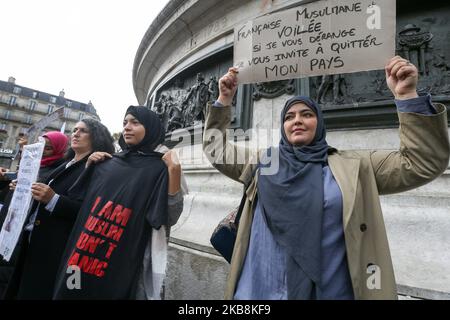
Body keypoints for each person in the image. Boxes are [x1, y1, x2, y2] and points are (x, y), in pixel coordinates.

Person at [202, 56, 450, 300]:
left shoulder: (354, 166)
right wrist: (224, 100)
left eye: (306, 114)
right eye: (289, 117)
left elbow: (421, 163)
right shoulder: (264, 163)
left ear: (320, 123)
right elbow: (216, 149)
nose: (297, 120)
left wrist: (406, 97)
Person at [52, 106, 185, 299]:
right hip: (81, 257)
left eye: (135, 122)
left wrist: (174, 173)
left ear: (151, 127)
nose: (127, 128)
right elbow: (78, 202)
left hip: (122, 265)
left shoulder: (162, 168)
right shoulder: (106, 162)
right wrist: (90, 169)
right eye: (124, 123)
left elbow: (167, 217)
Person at [5, 119, 115, 300]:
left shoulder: (98, 166)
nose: (76, 134)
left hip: (58, 249)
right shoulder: (67, 163)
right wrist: (24, 188)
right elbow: (42, 193)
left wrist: (53, 200)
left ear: (96, 137)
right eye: (74, 130)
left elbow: (90, 211)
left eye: (83, 131)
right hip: (34, 242)